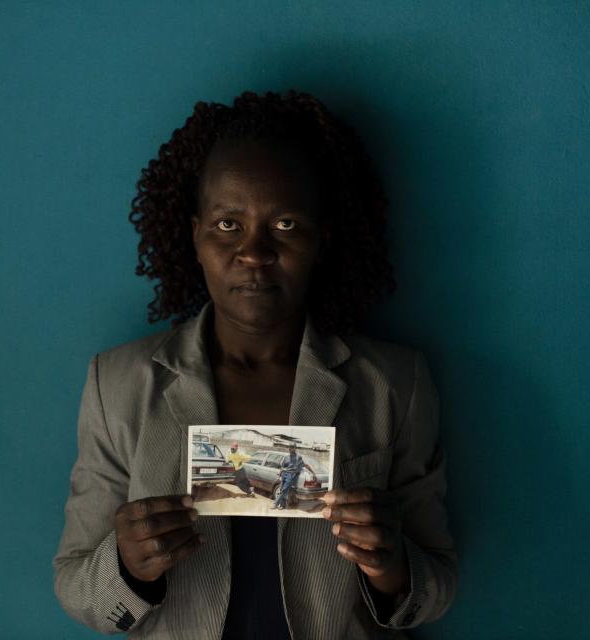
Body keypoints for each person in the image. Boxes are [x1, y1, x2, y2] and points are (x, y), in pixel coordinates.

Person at [53, 90, 457, 639]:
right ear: (194, 235)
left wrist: (393, 567)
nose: (254, 252)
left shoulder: (395, 385)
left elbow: (437, 584)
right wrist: (127, 565)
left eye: (286, 225)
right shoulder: (118, 385)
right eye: (227, 224)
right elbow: (76, 585)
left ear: (323, 238)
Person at [272, 444, 316, 510]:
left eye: (292, 447)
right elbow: (283, 466)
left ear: (295, 448)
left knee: (284, 490)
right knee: (282, 489)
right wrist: (280, 473)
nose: (290, 449)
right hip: (284, 474)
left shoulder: (298, 457)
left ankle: (275, 504)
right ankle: (282, 505)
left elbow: (305, 465)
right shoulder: (286, 457)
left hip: (291, 475)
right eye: (289, 447)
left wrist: (313, 473)